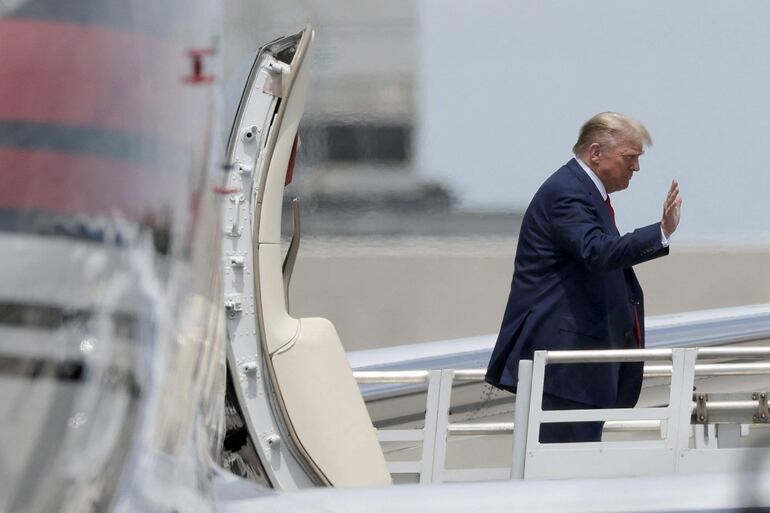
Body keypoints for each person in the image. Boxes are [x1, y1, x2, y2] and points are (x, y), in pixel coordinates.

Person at [485, 112, 682, 443]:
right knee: (561, 478)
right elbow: (596, 252)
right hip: (565, 371)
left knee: (571, 474)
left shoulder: (586, 193)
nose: (635, 168)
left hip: (578, 372)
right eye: (630, 157)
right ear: (595, 153)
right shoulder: (568, 192)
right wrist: (660, 232)